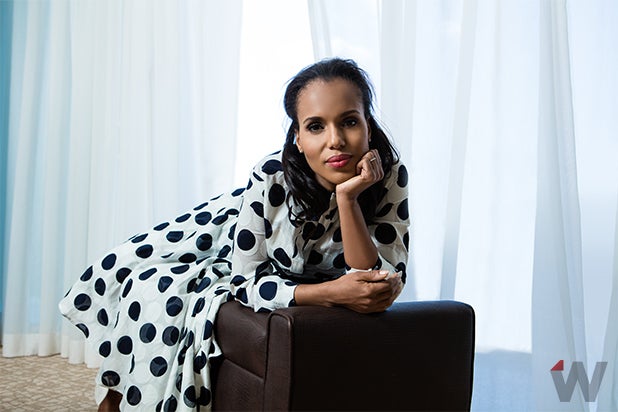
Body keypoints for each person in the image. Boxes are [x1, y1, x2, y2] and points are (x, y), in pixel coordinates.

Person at [59, 57, 410, 411]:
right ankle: (113, 397)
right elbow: (245, 281)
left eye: (349, 121)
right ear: (298, 139)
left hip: (291, 265)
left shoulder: (390, 175)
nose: (336, 140)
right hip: (224, 233)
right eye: (315, 126)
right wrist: (329, 293)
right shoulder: (270, 175)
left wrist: (348, 199)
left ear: (368, 125)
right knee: (139, 277)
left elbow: (376, 279)